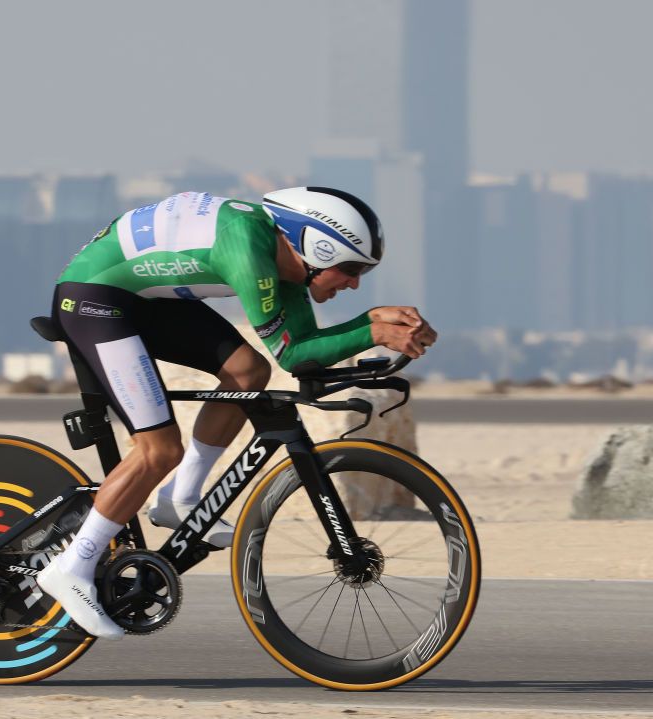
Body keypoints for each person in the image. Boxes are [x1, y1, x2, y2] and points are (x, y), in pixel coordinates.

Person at [36, 187, 437, 639]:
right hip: (95, 299)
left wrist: (371, 325)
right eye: (350, 269)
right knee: (157, 450)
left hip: (145, 299)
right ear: (314, 248)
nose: (354, 283)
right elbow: (296, 355)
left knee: (247, 372)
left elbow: (300, 351)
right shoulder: (249, 250)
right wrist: (372, 330)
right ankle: (73, 566)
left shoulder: (285, 262)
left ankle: (179, 497)